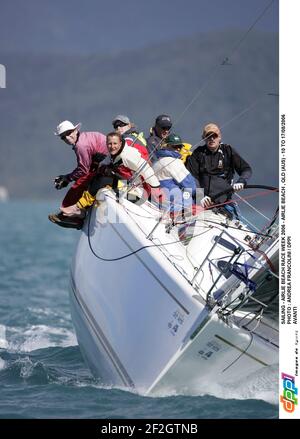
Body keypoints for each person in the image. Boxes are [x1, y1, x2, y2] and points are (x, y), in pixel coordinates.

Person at [57, 132, 160, 228]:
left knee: (103, 181)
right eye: (109, 144)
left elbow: (147, 170)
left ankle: (77, 207)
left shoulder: (127, 155)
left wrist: (155, 188)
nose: (112, 146)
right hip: (129, 188)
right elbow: (104, 167)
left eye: (115, 143)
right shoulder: (115, 154)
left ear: (120, 143)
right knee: (97, 176)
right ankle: (82, 211)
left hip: (138, 197)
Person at [48, 120, 108, 226]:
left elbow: (83, 170)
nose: (66, 137)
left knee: (79, 183)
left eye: (68, 133)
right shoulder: (84, 137)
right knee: (84, 179)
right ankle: (75, 212)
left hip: (108, 164)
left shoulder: (81, 146)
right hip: (105, 162)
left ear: (75, 131)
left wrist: (67, 178)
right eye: (63, 137)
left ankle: (74, 216)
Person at [186, 122, 252, 213]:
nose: (212, 139)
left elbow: (246, 169)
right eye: (208, 136)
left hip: (224, 203)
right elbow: (191, 178)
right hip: (202, 203)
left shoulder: (228, 151)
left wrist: (241, 181)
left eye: (215, 136)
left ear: (219, 137)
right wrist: (199, 197)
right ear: (203, 138)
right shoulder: (198, 153)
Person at [153, 133, 196, 215]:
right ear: (166, 146)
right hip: (176, 209)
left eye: (179, 147)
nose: (177, 149)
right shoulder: (175, 162)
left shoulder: (156, 162)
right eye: (174, 146)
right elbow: (191, 187)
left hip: (156, 205)